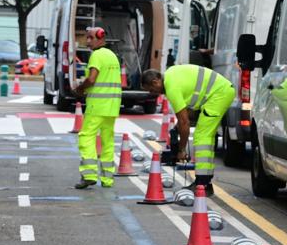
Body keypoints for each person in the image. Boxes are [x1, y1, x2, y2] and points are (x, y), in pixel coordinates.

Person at [141, 64, 234, 196]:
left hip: (219, 94)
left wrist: (181, 150)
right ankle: (205, 182)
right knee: (204, 136)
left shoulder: (172, 88)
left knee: (202, 137)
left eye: (151, 89)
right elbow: (187, 113)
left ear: (156, 82)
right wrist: (176, 130)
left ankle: (203, 184)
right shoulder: (170, 75)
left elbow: (185, 122)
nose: (153, 93)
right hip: (220, 92)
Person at [72, 26, 121, 189]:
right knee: (108, 141)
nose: (87, 41)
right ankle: (108, 179)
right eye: (87, 37)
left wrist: (80, 88)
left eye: (90, 38)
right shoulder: (112, 56)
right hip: (112, 106)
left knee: (86, 136)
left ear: (100, 38)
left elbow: (92, 79)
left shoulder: (97, 55)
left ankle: (89, 174)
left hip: (98, 106)